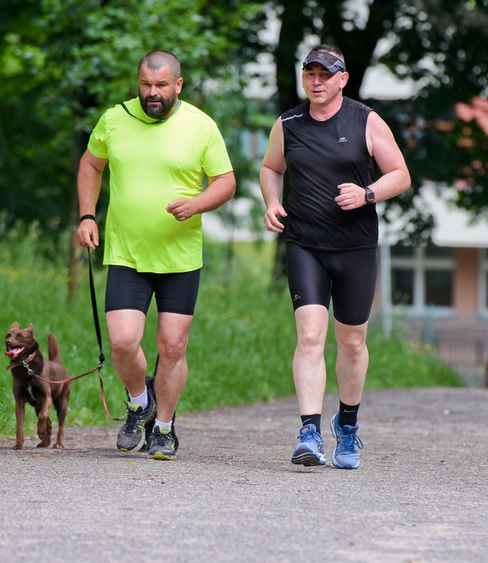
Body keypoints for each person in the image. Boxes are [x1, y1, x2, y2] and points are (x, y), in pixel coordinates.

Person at [75, 50, 236, 460]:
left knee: (172, 346)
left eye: (161, 86)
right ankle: (137, 402)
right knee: (124, 342)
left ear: (177, 85)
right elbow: (91, 165)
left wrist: (197, 204)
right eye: (145, 85)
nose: (152, 93)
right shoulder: (115, 119)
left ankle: (163, 429)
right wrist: (88, 215)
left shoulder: (201, 125)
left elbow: (226, 182)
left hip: (180, 258)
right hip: (127, 253)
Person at [259, 45, 411, 469]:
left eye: (325, 74)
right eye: (309, 73)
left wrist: (367, 194)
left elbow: (400, 174)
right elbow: (272, 168)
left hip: (355, 248)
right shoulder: (288, 123)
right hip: (305, 243)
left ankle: (347, 426)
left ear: (343, 79)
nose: (316, 81)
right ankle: (308, 431)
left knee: (352, 341)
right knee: (309, 336)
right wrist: (271, 202)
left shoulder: (365, 120)